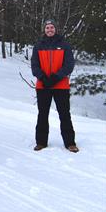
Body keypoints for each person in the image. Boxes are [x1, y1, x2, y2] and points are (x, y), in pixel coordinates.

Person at [31, 19, 78, 153]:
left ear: (55, 29)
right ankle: (41, 142)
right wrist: (43, 77)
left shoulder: (64, 45)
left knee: (64, 114)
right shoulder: (39, 45)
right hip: (43, 85)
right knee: (42, 114)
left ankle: (70, 143)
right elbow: (34, 65)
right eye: (47, 28)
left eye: (52, 27)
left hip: (61, 85)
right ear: (44, 30)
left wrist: (56, 77)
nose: (49, 30)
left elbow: (69, 65)